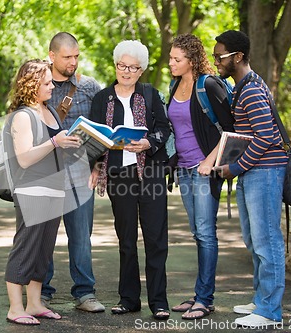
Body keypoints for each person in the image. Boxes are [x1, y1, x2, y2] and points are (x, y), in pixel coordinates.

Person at [89, 40, 171, 320]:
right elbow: (95, 138)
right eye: (121, 65)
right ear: (115, 66)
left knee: (156, 239)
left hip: (150, 173)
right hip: (118, 174)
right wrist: (96, 165)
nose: (126, 71)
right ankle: (128, 299)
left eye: (132, 67)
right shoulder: (102, 99)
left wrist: (148, 142)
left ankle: (159, 302)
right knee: (126, 239)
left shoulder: (151, 95)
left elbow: (165, 128)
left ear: (141, 70)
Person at [212, 30, 288, 328]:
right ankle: (261, 300)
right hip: (253, 172)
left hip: (264, 172)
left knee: (267, 242)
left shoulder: (252, 90)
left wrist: (235, 167)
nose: (216, 61)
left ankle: (270, 312)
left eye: (221, 56)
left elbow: (265, 136)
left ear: (238, 56)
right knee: (254, 240)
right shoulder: (243, 86)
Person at [4, 59, 81, 326]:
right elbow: (24, 158)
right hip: (31, 190)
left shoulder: (51, 112)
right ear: (32, 85)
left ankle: (35, 303)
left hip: (54, 189)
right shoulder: (23, 116)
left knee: (44, 250)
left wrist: (69, 142)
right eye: (47, 83)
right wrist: (54, 141)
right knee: (26, 248)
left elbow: (54, 148)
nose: (52, 87)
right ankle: (15, 307)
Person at [167, 34, 235, 320]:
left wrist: (209, 162)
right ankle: (200, 294)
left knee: (206, 233)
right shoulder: (173, 85)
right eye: (171, 58)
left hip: (204, 170)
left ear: (192, 61)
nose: (171, 63)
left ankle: (205, 300)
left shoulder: (208, 85)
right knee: (198, 232)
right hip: (184, 169)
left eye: (176, 59)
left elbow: (231, 129)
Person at [42, 32, 105, 313]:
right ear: (52, 56)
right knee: (43, 236)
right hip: (45, 174)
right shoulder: (38, 85)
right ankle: (41, 291)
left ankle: (85, 293)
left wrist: (99, 165)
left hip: (80, 174)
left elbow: (104, 131)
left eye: (76, 56)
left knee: (81, 236)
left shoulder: (89, 87)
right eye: (67, 57)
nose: (73, 62)